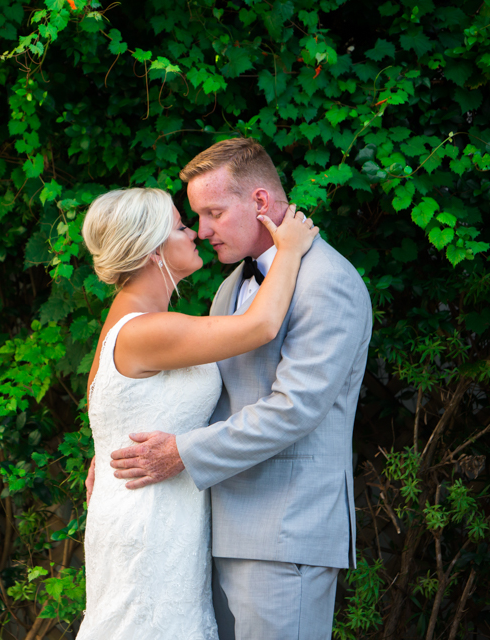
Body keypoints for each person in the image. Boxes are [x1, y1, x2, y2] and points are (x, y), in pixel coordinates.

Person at [103, 137, 373, 640]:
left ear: (261, 203)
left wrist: (179, 452)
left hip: (285, 532)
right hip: (210, 527)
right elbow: (202, 398)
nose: (202, 230)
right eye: (195, 218)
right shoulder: (232, 288)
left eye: (213, 213)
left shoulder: (326, 281)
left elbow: (294, 409)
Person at [77, 185, 318, 639]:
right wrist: (290, 249)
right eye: (181, 226)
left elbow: (112, 410)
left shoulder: (127, 320)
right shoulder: (146, 329)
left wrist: (102, 454)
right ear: (152, 252)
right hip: (149, 520)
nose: (195, 234)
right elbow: (262, 325)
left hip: (156, 508)